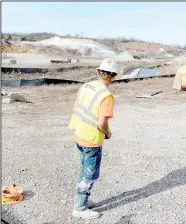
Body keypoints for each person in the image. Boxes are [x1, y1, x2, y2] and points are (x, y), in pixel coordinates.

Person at [68, 58, 122, 219]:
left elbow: (77, 106)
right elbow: (101, 123)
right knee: (89, 175)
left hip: (79, 133)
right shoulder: (106, 96)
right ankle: (80, 208)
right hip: (91, 139)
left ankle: (82, 199)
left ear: (98, 71)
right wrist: (108, 133)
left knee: (85, 171)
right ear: (114, 76)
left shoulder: (86, 86)